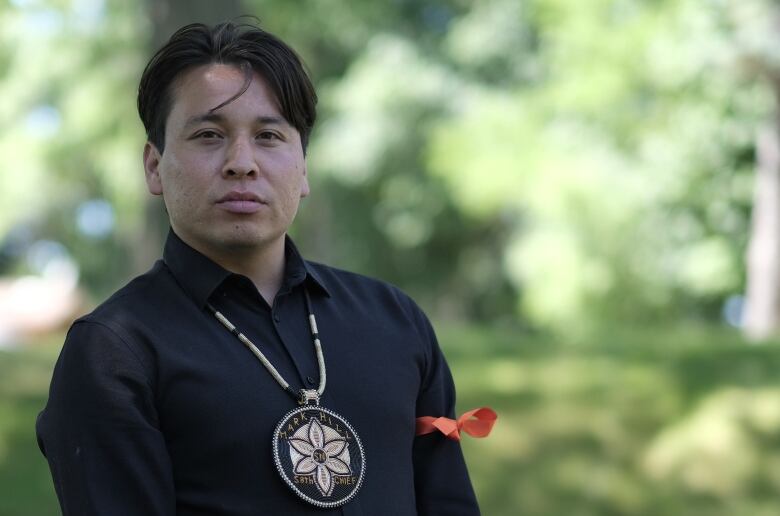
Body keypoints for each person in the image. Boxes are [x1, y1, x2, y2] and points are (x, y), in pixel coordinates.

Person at [36, 20, 482, 516]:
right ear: (154, 166)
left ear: (304, 167)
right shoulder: (115, 352)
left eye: (269, 135)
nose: (241, 162)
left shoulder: (394, 322)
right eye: (208, 135)